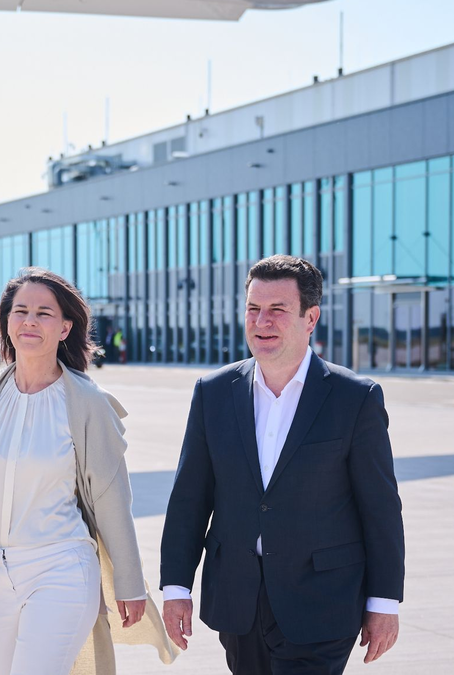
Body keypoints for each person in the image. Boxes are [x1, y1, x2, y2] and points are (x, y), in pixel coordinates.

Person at [0, 267, 175, 675]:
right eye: (20, 311)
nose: (30, 321)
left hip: (63, 567)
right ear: (6, 323)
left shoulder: (88, 403)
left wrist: (129, 581)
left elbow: (112, 499)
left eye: (43, 313)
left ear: (66, 327)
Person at [158, 255, 404, 674]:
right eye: (253, 309)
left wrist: (383, 602)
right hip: (238, 598)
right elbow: (189, 499)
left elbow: (379, 507)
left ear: (311, 318)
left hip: (323, 599)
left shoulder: (355, 398)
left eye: (277, 309)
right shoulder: (213, 393)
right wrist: (176, 587)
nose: (261, 321)